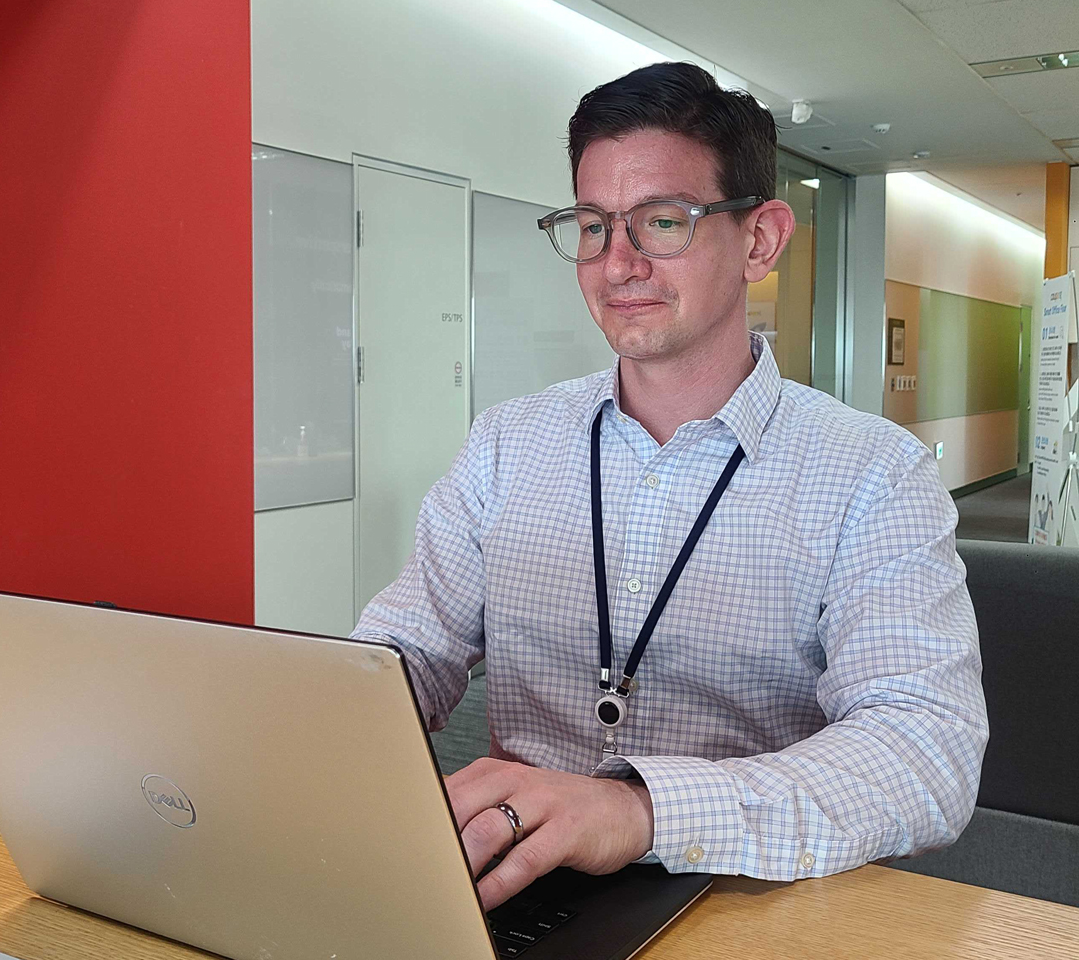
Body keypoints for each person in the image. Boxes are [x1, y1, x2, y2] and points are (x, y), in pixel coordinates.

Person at [351, 61, 988, 910]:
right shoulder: (511, 443)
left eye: (662, 221)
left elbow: (923, 752)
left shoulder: (871, 473)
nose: (617, 265)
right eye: (590, 226)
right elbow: (410, 649)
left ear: (759, 239)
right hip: (513, 879)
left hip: (752, 896)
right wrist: (324, 721)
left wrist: (641, 810)